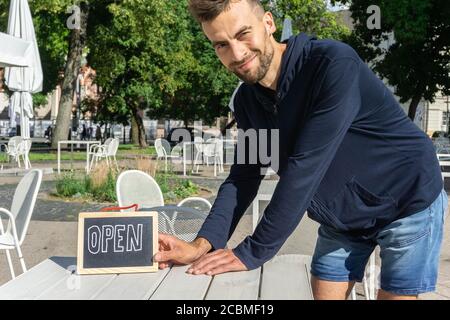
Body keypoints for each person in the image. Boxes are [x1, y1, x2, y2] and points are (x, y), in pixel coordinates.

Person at [154, 0, 447, 300]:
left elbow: (305, 168)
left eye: (243, 34)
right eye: (221, 45)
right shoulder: (248, 102)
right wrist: (202, 245)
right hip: (343, 217)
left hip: (408, 198)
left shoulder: (331, 65)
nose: (237, 53)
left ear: (268, 23)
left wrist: (253, 251)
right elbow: (243, 178)